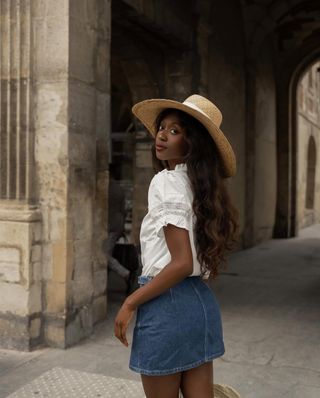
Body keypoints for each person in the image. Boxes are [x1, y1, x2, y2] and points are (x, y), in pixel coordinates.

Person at [114, 94, 239, 398]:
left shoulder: (166, 181)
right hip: (200, 307)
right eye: (162, 127)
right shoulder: (203, 189)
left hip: (165, 306)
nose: (162, 135)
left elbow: (181, 262)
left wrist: (131, 302)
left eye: (175, 131)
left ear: (192, 143)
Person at [104, 164, 130, 282]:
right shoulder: (118, 187)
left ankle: (124, 272)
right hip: (116, 223)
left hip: (111, 225)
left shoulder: (109, 188)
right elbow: (123, 210)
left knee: (104, 255)